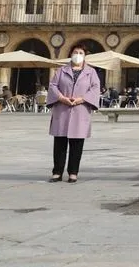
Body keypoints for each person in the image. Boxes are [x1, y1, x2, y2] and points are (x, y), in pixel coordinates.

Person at [47, 44, 101, 183]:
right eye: (75, 52)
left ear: (84, 55)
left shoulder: (91, 72)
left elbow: (95, 88)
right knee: (60, 143)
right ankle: (57, 172)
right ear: (70, 54)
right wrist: (62, 98)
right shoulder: (61, 70)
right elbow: (53, 86)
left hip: (80, 109)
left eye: (81, 52)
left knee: (77, 144)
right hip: (62, 108)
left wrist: (81, 99)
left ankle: (73, 172)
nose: (78, 54)